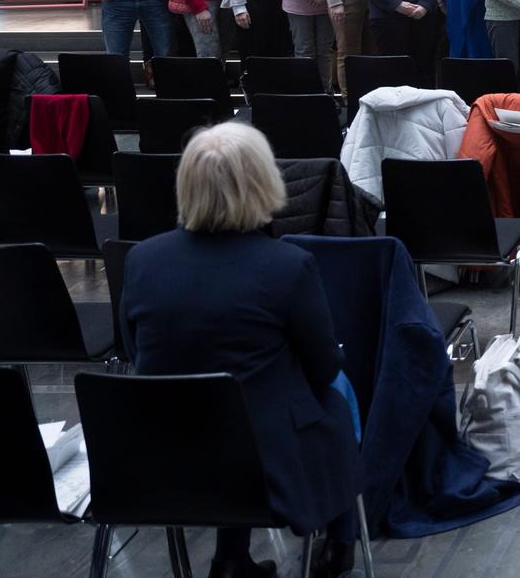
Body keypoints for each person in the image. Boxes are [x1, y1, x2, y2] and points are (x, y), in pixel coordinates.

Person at [119, 121, 364, 578]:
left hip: (164, 461)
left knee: (224, 397)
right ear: (262, 183)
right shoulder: (288, 265)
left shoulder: (141, 259)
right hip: (267, 468)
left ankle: (230, 558)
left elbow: (139, 353)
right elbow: (323, 366)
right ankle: (341, 540)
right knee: (337, 390)